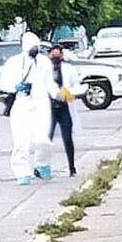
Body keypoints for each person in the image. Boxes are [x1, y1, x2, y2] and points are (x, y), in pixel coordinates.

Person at [0, 32, 54, 185]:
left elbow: (50, 84)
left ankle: (42, 164)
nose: (35, 49)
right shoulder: (14, 62)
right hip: (22, 104)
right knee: (21, 142)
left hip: (41, 104)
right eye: (32, 47)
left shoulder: (44, 62)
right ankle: (22, 172)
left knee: (43, 140)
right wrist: (16, 86)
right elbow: (4, 84)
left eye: (37, 46)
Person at [45, 42, 85, 177]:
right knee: (46, 139)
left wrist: (69, 92)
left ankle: (71, 166)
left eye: (58, 54)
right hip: (49, 107)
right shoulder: (44, 70)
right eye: (53, 54)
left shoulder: (69, 69)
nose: (56, 56)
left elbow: (77, 86)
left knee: (67, 138)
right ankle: (43, 166)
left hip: (64, 107)